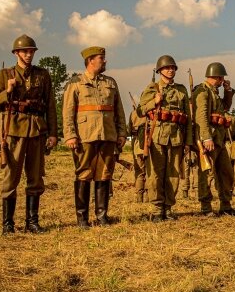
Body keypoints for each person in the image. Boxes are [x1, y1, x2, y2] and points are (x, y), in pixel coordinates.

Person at [0, 34, 58, 234]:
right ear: (16, 53)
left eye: (31, 51)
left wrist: (53, 133)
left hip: (37, 130)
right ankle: (8, 224)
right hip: (14, 131)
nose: (29, 54)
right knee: (11, 177)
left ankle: (32, 222)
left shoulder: (43, 75)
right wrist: (7, 91)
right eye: (25, 51)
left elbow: (50, 106)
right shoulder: (5, 74)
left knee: (35, 177)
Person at [62, 46, 127, 227]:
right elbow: (68, 112)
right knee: (84, 174)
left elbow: (119, 111)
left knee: (104, 174)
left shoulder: (111, 83)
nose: (104, 61)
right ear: (90, 60)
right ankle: (82, 218)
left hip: (107, 134)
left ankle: (102, 216)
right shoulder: (75, 83)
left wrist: (121, 133)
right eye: (101, 58)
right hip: (85, 136)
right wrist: (70, 135)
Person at [138, 55, 192, 220]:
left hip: (177, 136)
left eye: (173, 67)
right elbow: (140, 111)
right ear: (160, 70)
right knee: (155, 174)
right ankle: (157, 208)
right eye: (167, 67)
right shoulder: (152, 88)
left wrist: (188, 141)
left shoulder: (182, 90)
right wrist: (154, 102)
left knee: (173, 173)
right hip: (157, 137)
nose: (170, 70)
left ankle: (168, 207)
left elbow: (188, 118)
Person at [192, 62, 235, 216]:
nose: (223, 80)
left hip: (219, 138)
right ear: (218, 77)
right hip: (209, 139)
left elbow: (225, 107)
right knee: (206, 174)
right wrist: (206, 138)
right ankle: (205, 207)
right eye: (222, 78)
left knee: (225, 172)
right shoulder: (203, 91)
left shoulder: (215, 92)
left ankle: (225, 205)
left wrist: (228, 91)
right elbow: (201, 117)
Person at [128, 97, 147, 203]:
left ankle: (140, 198)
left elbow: (129, 130)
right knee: (149, 173)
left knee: (139, 173)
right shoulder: (149, 112)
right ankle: (148, 196)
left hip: (136, 145)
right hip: (148, 145)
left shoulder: (133, 113)